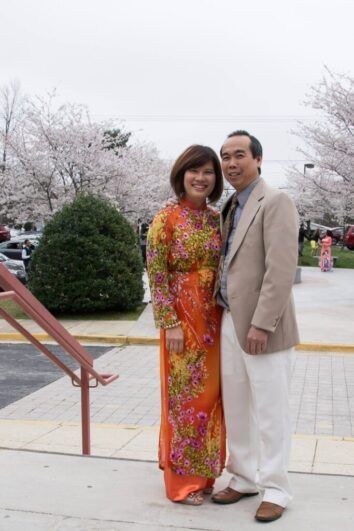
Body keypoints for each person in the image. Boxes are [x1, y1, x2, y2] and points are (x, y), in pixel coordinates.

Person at [211, 131, 299, 523]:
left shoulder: (275, 201)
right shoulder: (231, 205)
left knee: (270, 409)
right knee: (237, 407)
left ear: (258, 159)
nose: (231, 164)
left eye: (239, 155)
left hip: (264, 328)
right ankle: (244, 476)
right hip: (230, 320)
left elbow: (280, 270)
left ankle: (277, 487)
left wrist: (262, 324)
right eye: (226, 157)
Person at [147, 145, 226, 505]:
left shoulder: (215, 218)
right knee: (185, 398)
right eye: (194, 171)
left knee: (210, 399)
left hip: (215, 319)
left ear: (215, 178)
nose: (200, 178)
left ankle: (206, 473)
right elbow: (157, 273)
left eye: (208, 172)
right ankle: (183, 482)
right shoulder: (166, 218)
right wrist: (169, 323)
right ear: (181, 175)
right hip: (182, 320)